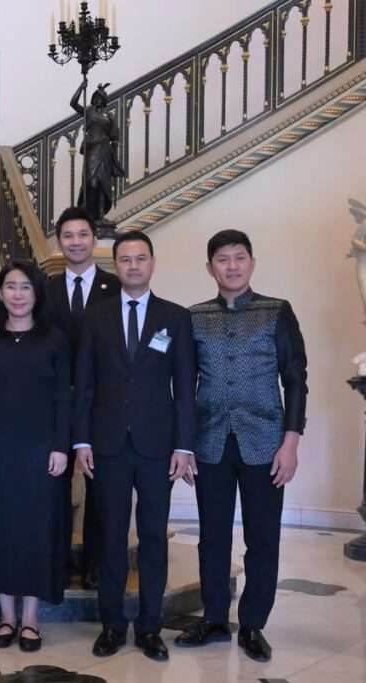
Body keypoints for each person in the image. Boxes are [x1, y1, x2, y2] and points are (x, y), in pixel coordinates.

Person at [174, 230, 308, 662]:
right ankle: (214, 619)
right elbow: (184, 386)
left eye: (239, 257)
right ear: (209, 267)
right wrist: (184, 445)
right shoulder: (194, 317)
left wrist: (291, 442)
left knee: (262, 537)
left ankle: (252, 624)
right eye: (222, 259)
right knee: (212, 536)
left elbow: (295, 379)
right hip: (210, 442)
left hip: (265, 442)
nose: (231, 266)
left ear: (252, 263)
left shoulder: (276, 311)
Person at [73, 230, 196, 662]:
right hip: (106, 444)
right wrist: (81, 439)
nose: (133, 266)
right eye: (125, 259)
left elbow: (185, 387)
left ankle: (149, 627)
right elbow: (84, 383)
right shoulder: (95, 317)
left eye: (140, 258)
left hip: (158, 446)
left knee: (152, 538)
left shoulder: (175, 317)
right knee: (110, 537)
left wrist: (184, 446)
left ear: (152, 263)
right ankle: (111, 625)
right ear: (117, 265)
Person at [0, 260, 71, 653]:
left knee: (36, 530)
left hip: (41, 450)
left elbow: (64, 397)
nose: (17, 294)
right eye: (10, 286)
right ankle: (6, 616)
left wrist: (61, 446)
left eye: (25, 287)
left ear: (37, 294)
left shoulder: (55, 339)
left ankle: (30, 618)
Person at [46, 207, 121, 587]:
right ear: (59, 241)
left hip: (101, 403)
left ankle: (95, 565)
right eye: (68, 235)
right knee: (54, 486)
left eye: (82, 234)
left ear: (94, 239)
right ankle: (56, 563)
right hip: (55, 402)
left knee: (100, 487)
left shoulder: (115, 286)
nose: (75, 242)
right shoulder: (45, 289)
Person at [70, 78, 126, 227]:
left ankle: (100, 216)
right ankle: (87, 213)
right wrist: (81, 87)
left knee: (102, 183)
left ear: (104, 100)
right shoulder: (88, 112)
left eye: (101, 98)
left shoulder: (109, 116)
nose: (98, 100)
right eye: (96, 97)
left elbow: (114, 135)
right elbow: (73, 103)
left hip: (104, 151)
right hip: (92, 150)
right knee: (91, 182)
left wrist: (115, 143)